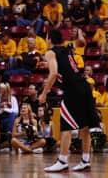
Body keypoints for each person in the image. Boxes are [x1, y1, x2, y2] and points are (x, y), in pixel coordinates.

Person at [39, 29, 100, 172]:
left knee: (66, 125)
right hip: (84, 86)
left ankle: (63, 160)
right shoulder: (68, 47)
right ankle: (85, 160)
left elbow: (53, 74)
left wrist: (44, 93)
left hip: (72, 90)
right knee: (84, 126)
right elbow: (82, 42)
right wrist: (80, 34)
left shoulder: (50, 52)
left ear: (49, 39)